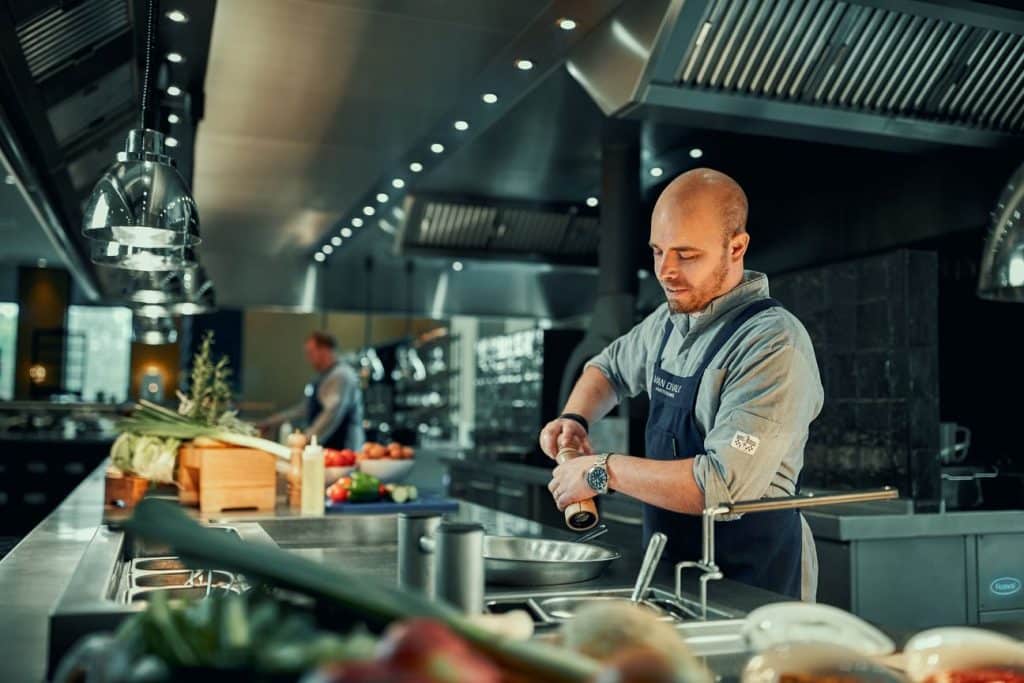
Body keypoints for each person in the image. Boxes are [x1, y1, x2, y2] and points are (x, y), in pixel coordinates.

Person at [540, 168, 823, 601]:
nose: (666, 271)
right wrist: (574, 418)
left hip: (755, 581)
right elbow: (608, 368)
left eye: (687, 255)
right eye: (657, 252)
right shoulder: (670, 322)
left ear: (736, 247)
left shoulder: (773, 344)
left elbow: (721, 482)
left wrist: (600, 471)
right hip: (673, 570)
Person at [260, 331, 365, 451]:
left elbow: (331, 414)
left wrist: (306, 439)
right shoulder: (323, 377)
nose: (309, 358)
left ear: (325, 350)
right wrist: (271, 422)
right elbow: (305, 408)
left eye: (311, 353)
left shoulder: (341, 375)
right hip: (327, 445)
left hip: (343, 447)